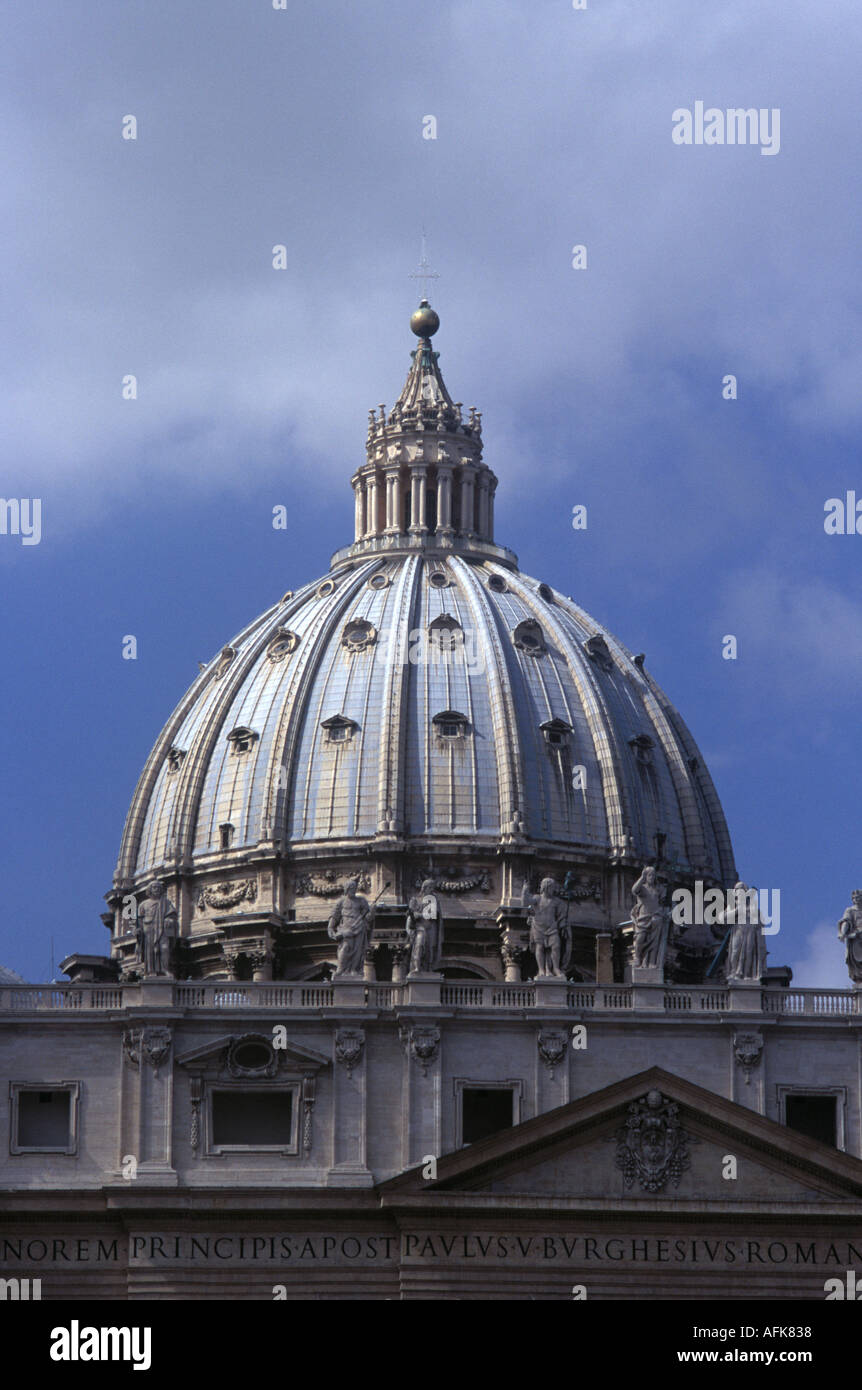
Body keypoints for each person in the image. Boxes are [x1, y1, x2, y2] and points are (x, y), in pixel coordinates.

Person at [521, 877, 568, 978]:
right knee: (540, 947)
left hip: (552, 927)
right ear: (546, 887)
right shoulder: (537, 898)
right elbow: (525, 902)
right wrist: (525, 889)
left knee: (555, 946)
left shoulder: (556, 901)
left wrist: (563, 924)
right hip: (538, 926)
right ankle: (541, 970)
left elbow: (561, 914)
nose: (554, 890)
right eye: (552, 887)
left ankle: (555, 968)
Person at [327, 878, 372, 977]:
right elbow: (335, 916)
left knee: (358, 951)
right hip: (346, 929)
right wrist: (330, 927)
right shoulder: (341, 902)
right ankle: (341, 969)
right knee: (345, 948)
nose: (354, 890)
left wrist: (370, 914)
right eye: (351, 889)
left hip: (359, 928)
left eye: (355, 888)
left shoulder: (361, 901)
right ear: (346, 889)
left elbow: (368, 916)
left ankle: (354, 970)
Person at [135, 880, 178, 977]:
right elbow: (139, 921)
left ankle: (165, 968)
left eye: (158, 887)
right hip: (148, 929)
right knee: (150, 951)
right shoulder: (143, 904)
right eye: (154, 887)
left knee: (164, 948)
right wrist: (138, 930)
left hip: (162, 929)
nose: (156, 889)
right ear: (149, 890)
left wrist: (169, 919)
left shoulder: (166, 903)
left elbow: (172, 915)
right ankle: (151, 971)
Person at [631, 866, 669, 970]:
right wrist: (641, 878)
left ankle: (652, 962)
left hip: (656, 917)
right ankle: (638, 958)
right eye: (649, 875)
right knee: (640, 939)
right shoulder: (642, 888)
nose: (651, 877)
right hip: (643, 917)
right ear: (646, 876)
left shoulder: (658, 889)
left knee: (654, 941)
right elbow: (634, 890)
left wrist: (663, 913)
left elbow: (663, 903)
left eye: (653, 875)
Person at [406, 880, 442, 974]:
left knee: (430, 948)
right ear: (424, 888)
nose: (431, 890)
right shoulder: (415, 899)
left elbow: (433, 915)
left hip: (431, 927)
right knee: (419, 946)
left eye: (432, 888)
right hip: (420, 928)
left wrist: (420, 915)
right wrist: (413, 914)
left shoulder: (434, 900)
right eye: (430, 887)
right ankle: (417, 967)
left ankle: (429, 969)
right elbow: (410, 914)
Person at [838, 890, 862, 984]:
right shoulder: (850, 910)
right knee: (857, 963)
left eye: (858, 897)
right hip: (856, 939)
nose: (856, 899)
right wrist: (843, 933)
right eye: (854, 898)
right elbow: (846, 922)